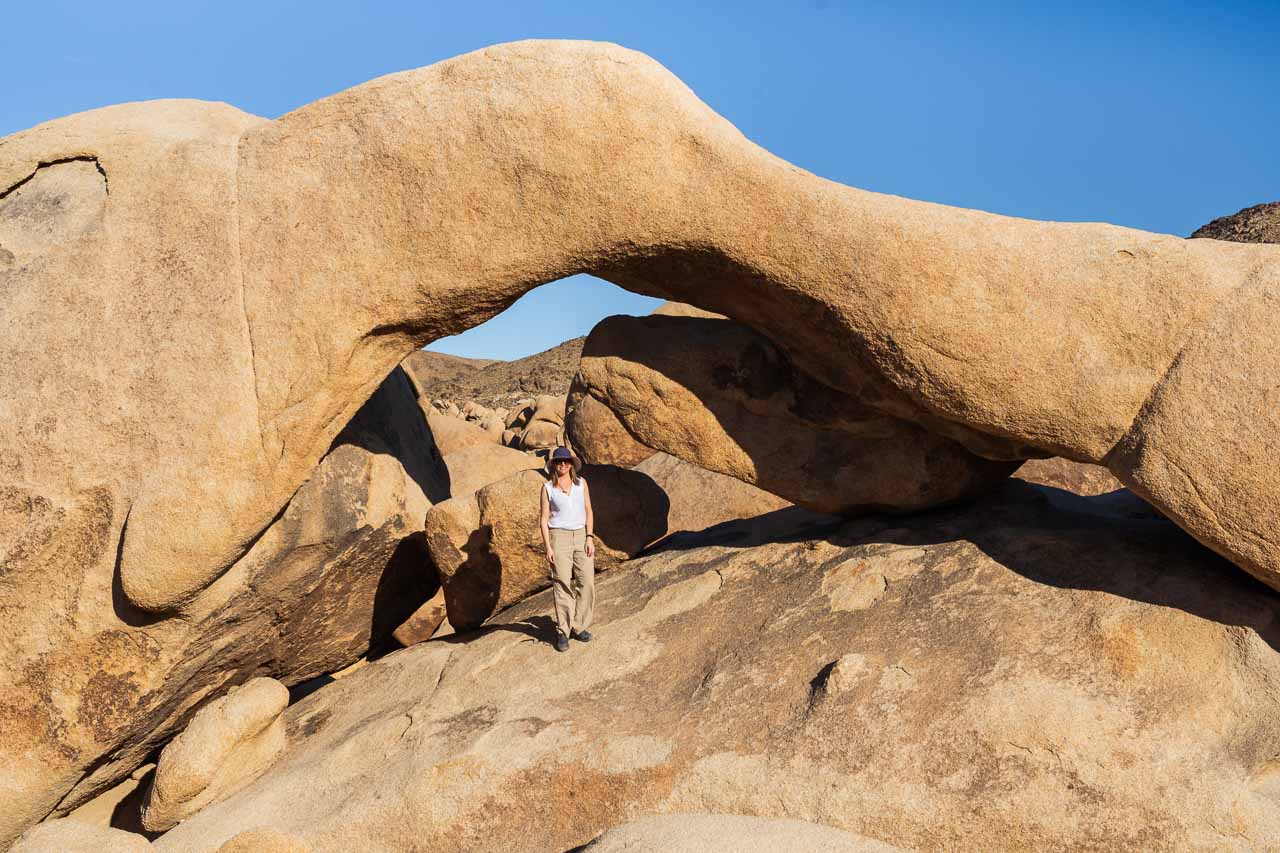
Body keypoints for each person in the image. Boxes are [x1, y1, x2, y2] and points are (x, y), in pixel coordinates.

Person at [539, 446, 595, 652]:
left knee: (586, 581)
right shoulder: (547, 488)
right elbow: (544, 519)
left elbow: (588, 510)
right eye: (559, 461)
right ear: (554, 464)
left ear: (571, 464)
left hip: (581, 536)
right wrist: (548, 547)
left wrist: (589, 537)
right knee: (562, 583)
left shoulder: (581, 484)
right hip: (558, 537)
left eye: (566, 461)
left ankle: (579, 626)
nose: (563, 464)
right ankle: (563, 630)